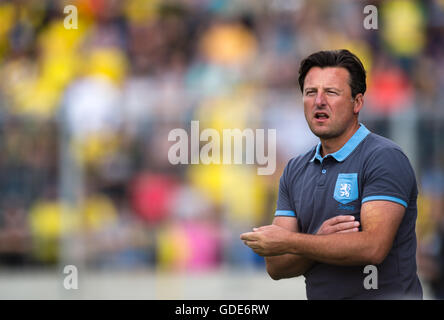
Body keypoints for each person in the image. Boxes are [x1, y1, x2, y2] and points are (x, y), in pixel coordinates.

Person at [240, 49, 423, 299]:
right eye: (310, 92)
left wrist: (295, 242)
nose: (319, 101)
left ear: (357, 102)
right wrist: (317, 239)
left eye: (332, 92)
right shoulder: (295, 170)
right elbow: (277, 265)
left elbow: (373, 247)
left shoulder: (384, 157)